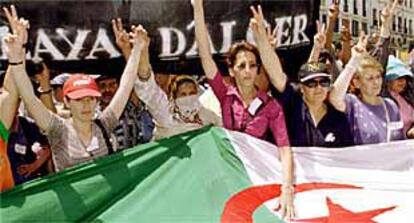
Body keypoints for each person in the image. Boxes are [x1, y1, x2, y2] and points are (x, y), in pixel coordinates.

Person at [3, 5, 146, 171]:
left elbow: (125, 86)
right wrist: (16, 56)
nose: (86, 105)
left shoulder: (104, 124)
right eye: (79, 99)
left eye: (91, 98)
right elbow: (28, 96)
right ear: (67, 102)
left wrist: (137, 50)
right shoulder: (58, 129)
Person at [192, 0, 294, 219]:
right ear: (232, 70)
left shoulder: (271, 106)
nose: (247, 71)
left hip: (258, 177)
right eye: (241, 66)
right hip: (227, 175)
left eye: (252, 65)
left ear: (258, 69)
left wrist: (287, 189)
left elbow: (284, 149)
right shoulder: (225, 95)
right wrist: (198, 8)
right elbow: (205, 56)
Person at [111, 18, 222, 140]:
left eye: (192, 93)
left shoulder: (208, 116)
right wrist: (143, 51)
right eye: (183, 94)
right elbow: (147, 88)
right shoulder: (166, 115)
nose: (188, 97)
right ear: (174, 97)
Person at [97, 75, 154, 150]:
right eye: (102, 86)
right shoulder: (92, 115)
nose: (107, 90)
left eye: (112, 85)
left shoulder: (131, 109)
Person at [384, 55, 414, 138]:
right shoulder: (383, 101)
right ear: (387, 81)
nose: (402, 81)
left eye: (404, 77)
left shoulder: (408, 97)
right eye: (398, 78)